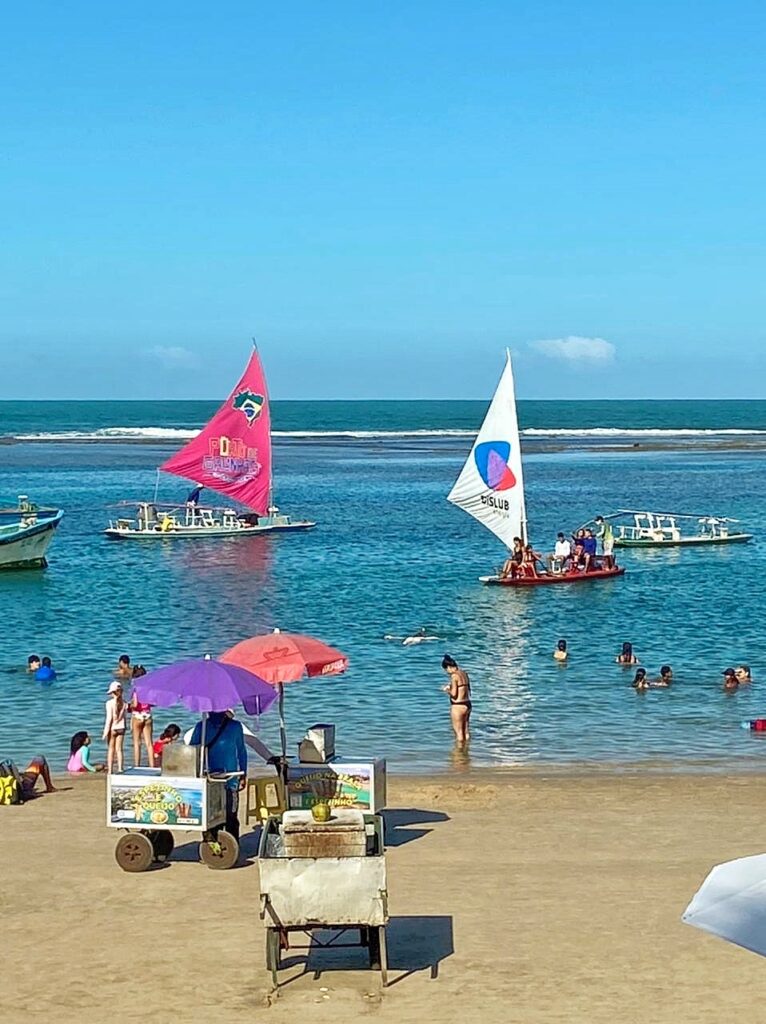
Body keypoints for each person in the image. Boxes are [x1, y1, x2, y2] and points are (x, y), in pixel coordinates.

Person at [190, 710, 247, 841]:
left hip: (209, 778)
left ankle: (211, 843)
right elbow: (241, 752)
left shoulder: (201, 726)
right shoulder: (236, 726)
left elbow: (193, 752)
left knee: (211, 815)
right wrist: (244, 773)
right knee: (231, 816)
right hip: (230, 778)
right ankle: (233, 845)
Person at [442, 654, 471, 745]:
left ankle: (459, 755)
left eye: (446, 670)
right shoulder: (464, 673)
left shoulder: (454, 676)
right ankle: (467, 751)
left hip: (458, 706)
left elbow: (454, 694)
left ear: (449, 667)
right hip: (467, 704)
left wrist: (447, 690)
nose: (447, 672)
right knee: (465, 731)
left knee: (459, 734)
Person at [129, 665, 155, 768]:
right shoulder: (149, 689)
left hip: (137, 715)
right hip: (147, 714)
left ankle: (137, 766)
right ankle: (152, 766)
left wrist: (129, 706)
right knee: (149, 743)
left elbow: (135, 704)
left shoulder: (136, 688)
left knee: (137, 743)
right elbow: (152, 703)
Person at [103, 681, 127, 773]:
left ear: (112, 692)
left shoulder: (109, 703)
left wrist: (105, 732)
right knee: (119, 749)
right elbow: (124, 717)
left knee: (111, 749)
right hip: (121, 728)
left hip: (113, 728)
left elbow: (109, 719)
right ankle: (120, 768)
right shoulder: (124, 703)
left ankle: (110, 770)